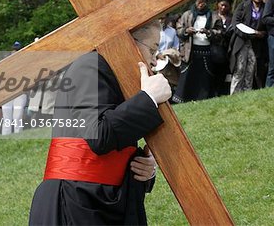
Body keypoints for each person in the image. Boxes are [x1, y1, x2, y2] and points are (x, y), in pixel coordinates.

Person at [29, 23, 172, 225]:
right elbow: (98, 135)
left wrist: (143, 165)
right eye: (152, 49)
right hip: (76, 201)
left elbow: (113, 140)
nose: (153, 61)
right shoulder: (91, 65)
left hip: (101, 200)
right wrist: (148, 99)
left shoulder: (114, 73)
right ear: (127, 41)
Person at [172, 0, 216, 102]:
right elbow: (178, 29)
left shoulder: (213, 16)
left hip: (206, 50)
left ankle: (202, 99)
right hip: (190, 50)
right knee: (187, 76)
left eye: (203, 2)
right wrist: (187, 31)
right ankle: (182, 99)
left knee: (204, 77)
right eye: (198, 2)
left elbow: (219, 31)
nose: (200, 4)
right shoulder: (187, 14)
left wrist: (208, 32)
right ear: (195, 2)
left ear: (206, 2)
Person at [228, 0, 268, 94]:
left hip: (257, 44)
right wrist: (251, 33)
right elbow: (236, 23)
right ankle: (235, 93)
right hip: (242, 41)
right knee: (239, 68)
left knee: (251, 68)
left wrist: (262, 33)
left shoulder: (265, 7)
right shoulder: (243, 6)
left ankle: (247, 93)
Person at [210, 0, 233, 96]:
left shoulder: (232, 18)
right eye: (222, 5)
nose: (223, 8)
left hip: (226, 50)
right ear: (217, 5)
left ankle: (222, 93)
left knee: (224, 75)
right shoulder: (212, 16)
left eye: (226, 6)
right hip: (213, 49)